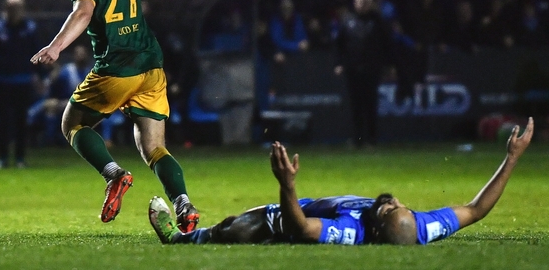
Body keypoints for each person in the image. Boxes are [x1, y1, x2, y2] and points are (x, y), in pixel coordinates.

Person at [30, 0, 204, 231]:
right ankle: (184, 205)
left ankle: (114, 174)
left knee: (72, 124)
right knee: (154, 149)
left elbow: (83, 12)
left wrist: (56, 47)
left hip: (118, 68)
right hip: (151, 67)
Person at [149, 118, 534, 245]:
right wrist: (511, 158)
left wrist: (287, 185)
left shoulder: (349, 231)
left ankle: (178, 238)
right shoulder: (422, 226)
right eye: (398, 205)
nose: (392, 201)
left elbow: (300, 228)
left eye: (387, 209)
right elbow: (477, 209)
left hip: (289, 218)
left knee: (236, 227)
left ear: (377, 230)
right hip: (307, 205)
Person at [0, 0, 42, 169]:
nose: (14, 11)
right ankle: (3, 158)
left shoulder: (29, 29)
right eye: (11, 8)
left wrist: (40, 76)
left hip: (23, 82)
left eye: (17, 8)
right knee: (3, 122)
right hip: (2, 82)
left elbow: (37, 53)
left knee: (22, 121)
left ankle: (21, 158)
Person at [334, 0, 396, 148]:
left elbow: (387, 45)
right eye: (359, 1)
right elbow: (339, 44)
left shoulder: (378, 21)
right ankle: (357, 139)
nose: (361, 5)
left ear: (371, 3)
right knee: (356, 105)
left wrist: (389, 65)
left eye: (365, 2)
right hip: (352, 69)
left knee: (371, 104)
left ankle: (372, 139)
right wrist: (339, 63)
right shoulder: (347, 20)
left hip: (372, 69)